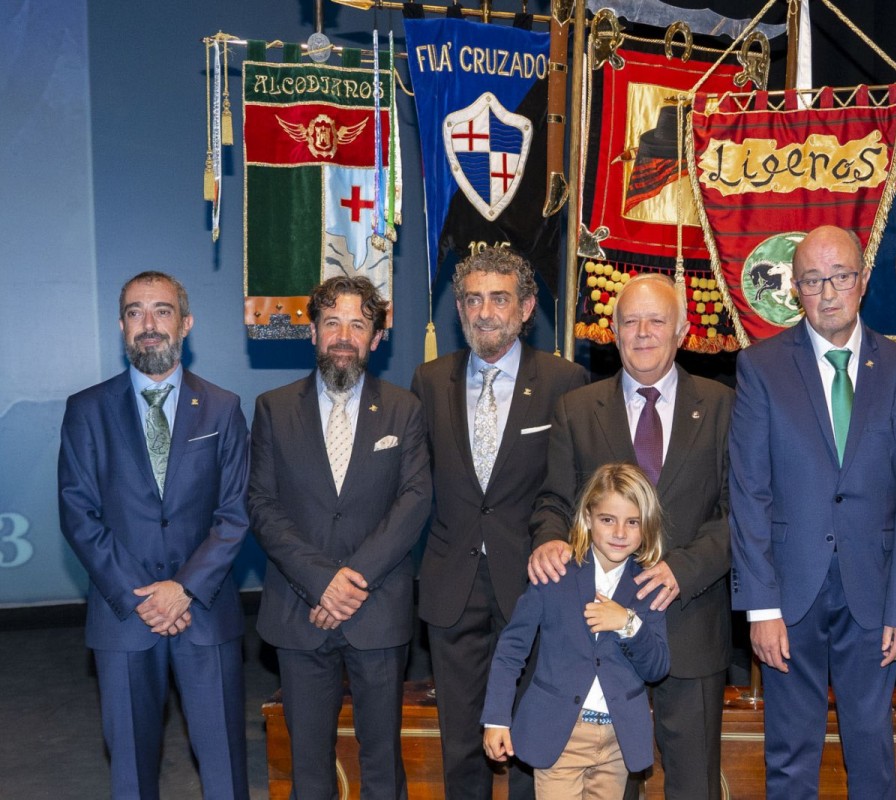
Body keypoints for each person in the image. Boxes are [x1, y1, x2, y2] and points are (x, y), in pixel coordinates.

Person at [729, 225, 896, 799]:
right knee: (790, 755)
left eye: (840, 277)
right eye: (813, 281)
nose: (828, 292)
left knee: (872, 751)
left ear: (863, 282)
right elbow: (749, 493)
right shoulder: (760, 368)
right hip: (788, 595)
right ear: (795, 290)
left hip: (877, 593)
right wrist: (760, 605)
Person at [529, 273, 733, 800]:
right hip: (597, 639)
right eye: (630, 322)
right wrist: (550, 539)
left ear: (683, 331)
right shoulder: (577, 409)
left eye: (656, 321)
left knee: (693, 787)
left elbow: (744, 516)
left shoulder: (723, 407)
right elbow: (553, 501)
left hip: (689, 626)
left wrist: (681, 571)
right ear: (613, 332)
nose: (643, 332)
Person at [58, 271, 250, 799]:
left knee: (225, 770)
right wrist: (144, 598)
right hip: (124, 617)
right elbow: (79, 513)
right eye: (136, 312)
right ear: (121, 326)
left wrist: (182, 589)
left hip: (204, 613)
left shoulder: (223, 407)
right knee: (131, 775)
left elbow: (235, 513)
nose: (149, 324)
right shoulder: (86, 411)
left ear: (185, 323)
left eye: (162, 311)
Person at [411, 247, 587, 800]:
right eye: (473, 299)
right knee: (461, 740)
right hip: (450, 585)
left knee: (533, 737)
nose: (485, 312)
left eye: (499, 298)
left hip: (534, 583)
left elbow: (573, 485)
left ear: (527, 307)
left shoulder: (565, 381)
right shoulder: (429, 380)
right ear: (459, 308)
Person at [249, 275, 432, 800]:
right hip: (298, 611)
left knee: (381, 765)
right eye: (332, 323)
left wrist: (351, 581)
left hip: (376, 611)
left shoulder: (404, 409)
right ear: (313, 333)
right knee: (308, 768)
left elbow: (415, 501)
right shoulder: (272, 408)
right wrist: (321, 582)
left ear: (377, 338)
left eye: (358, 324)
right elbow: (261, 504)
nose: (344, 335)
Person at [482, 462, 670, 799]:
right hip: (559, 734)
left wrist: (627, 623)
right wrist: (496, 718)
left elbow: (657, 667)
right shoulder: (556, 573)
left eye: (633, 522)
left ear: (647, 527)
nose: (619, 533)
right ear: (587, 518)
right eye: (608, 520)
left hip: (617, 740)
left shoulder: (649, 585)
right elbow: (512, 649)